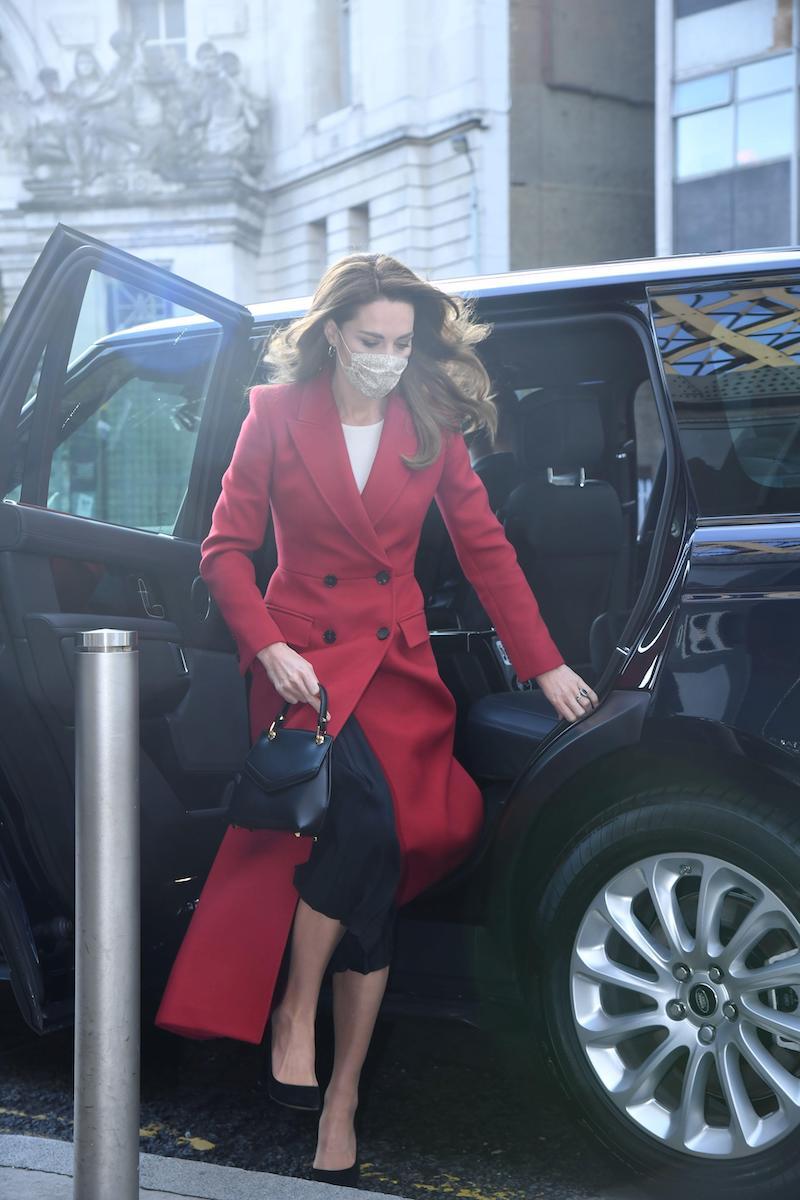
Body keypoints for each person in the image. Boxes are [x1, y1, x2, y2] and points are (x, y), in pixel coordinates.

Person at [155, 254, 598, 1186]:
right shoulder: (273, 416)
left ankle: (337, 1081)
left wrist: (545, 662)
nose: (389, 359)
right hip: (302, 668)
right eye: (372, 342)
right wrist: (266, 648)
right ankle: (300, 1028)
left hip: (395, 668)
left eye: (403, 343)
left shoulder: (430, 428)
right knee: (362, 826)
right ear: (331, 335)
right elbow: (225, 551)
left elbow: (485, 549)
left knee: (376, 854)